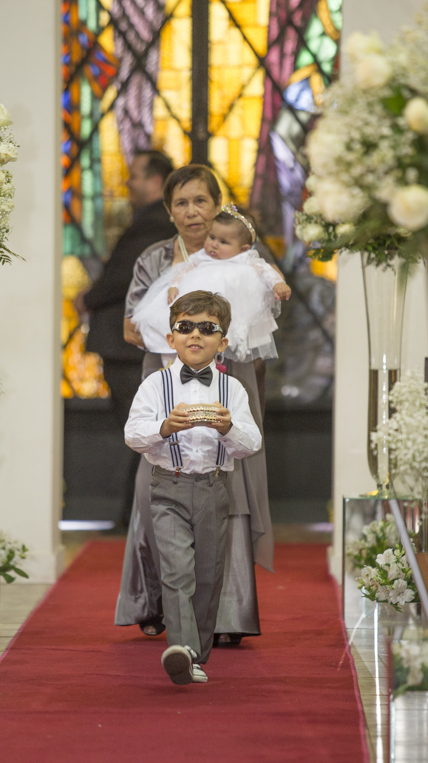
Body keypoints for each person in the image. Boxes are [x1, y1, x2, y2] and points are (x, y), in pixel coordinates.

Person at [115, 164, 283, 643]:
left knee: (229, 485)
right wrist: (184, 344)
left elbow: (266, 316)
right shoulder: (153, 258)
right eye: (181, 203)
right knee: (156, 485)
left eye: (201, 201)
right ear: (169, 211)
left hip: (232, 376)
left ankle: (226, 615)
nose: (192, 212)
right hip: (166, 377)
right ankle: (155, 601)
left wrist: (217, 348)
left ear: (217, 204)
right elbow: (130, 326)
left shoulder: (245, 251)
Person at [124, 291, 261, 684]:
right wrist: (163, 427)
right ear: (171, 338)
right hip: (168, 487)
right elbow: (133, 434)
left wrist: (228, 428)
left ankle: (195, 656)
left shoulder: (232, 389)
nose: (195, 334)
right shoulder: (156, 384)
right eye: (185, 327)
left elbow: (252, 443)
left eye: (207, 328)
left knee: (207, 576)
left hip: (214, 489)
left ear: (223, 341)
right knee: (176, 572)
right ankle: (181, 651)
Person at [75, 150, 176, 525]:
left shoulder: (152, 224)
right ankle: (136, 515)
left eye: (134, 175)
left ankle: (139, 516)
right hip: (129, 346)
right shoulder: (150, 222)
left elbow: (123, 277)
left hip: (127, 346)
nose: (127, 183)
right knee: (143, 430)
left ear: (155, 181)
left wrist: (87, 298)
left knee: (143, 431)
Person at [131, 204, 291, 361]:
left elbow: (265, 270)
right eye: (212, 237)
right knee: (170, 322)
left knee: (215, 334)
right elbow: (183, 270)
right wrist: (174, 285)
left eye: (223, 242)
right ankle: (173, 360)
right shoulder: (202, 257)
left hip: (227, 307)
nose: (214, 244)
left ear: (243, 248)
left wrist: (277, 284)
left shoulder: (244, 258)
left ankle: (217, 355)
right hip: (194, 303)